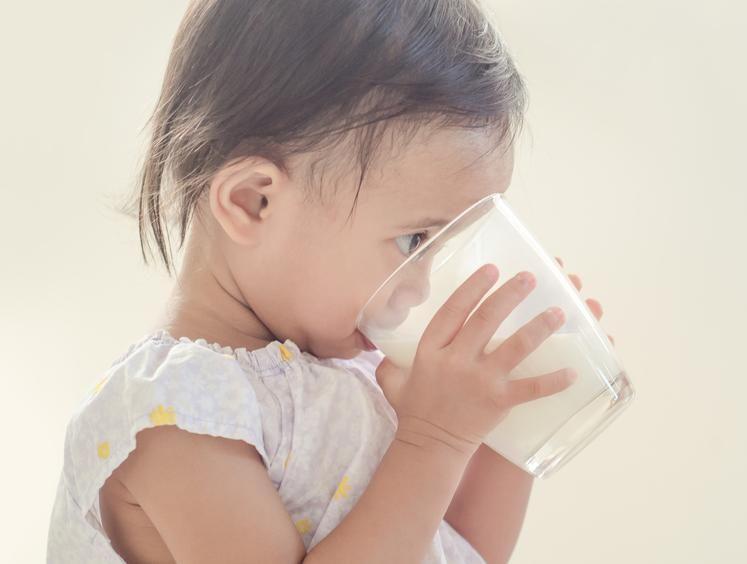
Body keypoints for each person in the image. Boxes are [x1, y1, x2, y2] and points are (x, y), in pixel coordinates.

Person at [47, 1, 610, 562]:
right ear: (253, 202)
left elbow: (461, 552)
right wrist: (436, 438)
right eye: (416, 241)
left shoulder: (357, 376)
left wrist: (507, 410)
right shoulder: (172, 416)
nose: (421, 289)